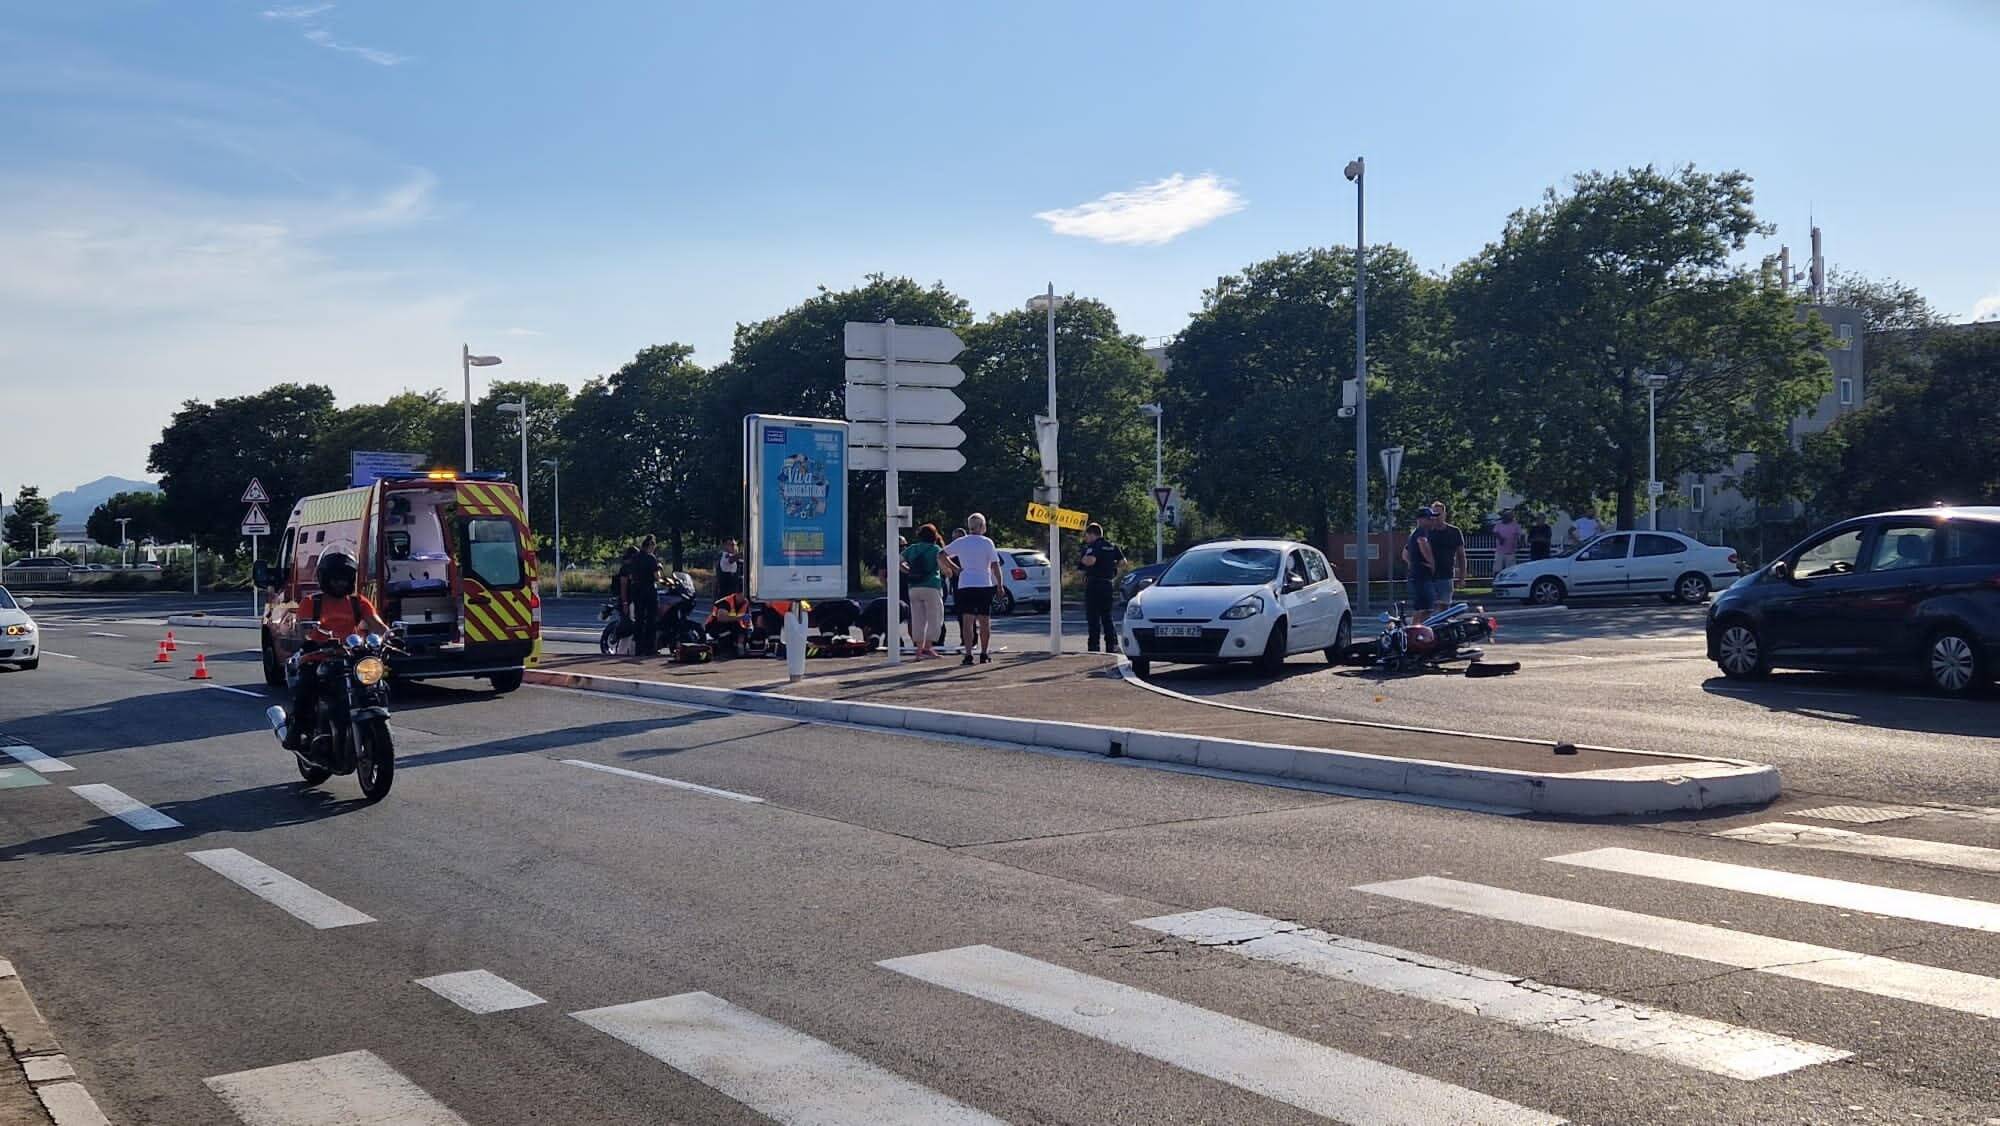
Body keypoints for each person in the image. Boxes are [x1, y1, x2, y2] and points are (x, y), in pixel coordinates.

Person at [277, 550, 391, 751]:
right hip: (318, 655)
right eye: (335, 579)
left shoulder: (358, 602)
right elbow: (305, 628)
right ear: (325, 579)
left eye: (344, 579)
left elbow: (377, 625)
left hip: (351, 655)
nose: (340, 583)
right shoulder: (312, 602)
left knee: (376, 683)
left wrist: (389, 636)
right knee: (308, 686)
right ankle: (297, 731)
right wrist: (317, 635)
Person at [941, 512, 1003, 666]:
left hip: (965, 584)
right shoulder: (987, 542)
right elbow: (995, 565)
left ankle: (968, 654)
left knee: (967, 621)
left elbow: (941, 554)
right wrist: (1000, 585)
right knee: (984, 621)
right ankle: (983, 653)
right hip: (983, 584)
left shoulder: (961, 542)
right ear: (982, 526)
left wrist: (955, 569)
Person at [901, 525, 948, 659]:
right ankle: (928, 646)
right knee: (935, 617)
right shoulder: (935, 549)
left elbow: (899, 561)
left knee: (917, 619)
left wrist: (908, 571)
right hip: (931, 586)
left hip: (914, 587)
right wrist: (949, 573)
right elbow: (943, 567)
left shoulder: (912, 548)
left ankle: (918, 650)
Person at [1077, 522, 1125, 653]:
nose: (1086, 538)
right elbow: (1123, 562)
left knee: (1093, 617)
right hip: (1108, 584)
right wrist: (1111, 567)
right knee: (1107, 616)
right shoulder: (1112, 546)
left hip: (1094, 584)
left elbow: (1090, 561)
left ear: (1093, 534)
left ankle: (1094, 647)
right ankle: (1112, 645)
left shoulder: (1093, 546)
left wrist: (1082, 559)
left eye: (1086, 535)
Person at [1425, 501, 1467, 610]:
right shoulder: (1427, 532)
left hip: (1446, 575)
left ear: (1444, 514)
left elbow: (1461, 555)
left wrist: (1462, 577)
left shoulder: (1454, 532)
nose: (1436, 517)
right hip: (1428, 576)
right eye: (1434, 514)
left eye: (1439, 514)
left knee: (1444, 610)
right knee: (1427, 609)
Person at [628, 535, 664, 656]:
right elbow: (657, 577)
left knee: (639, 619)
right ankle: (650, 647)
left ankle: (639, 647)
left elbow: (631, 576)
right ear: (650, 545)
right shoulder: (651, 558)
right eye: (654, 547)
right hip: (648, 590)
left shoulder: (635, 558)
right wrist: (659, 567)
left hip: (636, 590)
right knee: (651, 619)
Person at [1403, 511, 1435, 618]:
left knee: (1422, 609)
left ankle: (1418, 632)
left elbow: (1404, 554)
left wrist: (1412, 564)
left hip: (1417, 575)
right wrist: (1431, 563)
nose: (1432, 520)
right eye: (1429, 518)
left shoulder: (1413, 534)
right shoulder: (1421, 532)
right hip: (1421, 577)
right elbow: (1423, 543)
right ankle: (1416, 633)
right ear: (1421, 520)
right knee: (1425, 610)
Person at [1492, 509, 1522, 574]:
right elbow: (1495, 532)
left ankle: (1509, 582)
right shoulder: (1499, 524)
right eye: (1508, 516)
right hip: (1500, 551)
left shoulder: (1515, 525)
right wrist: (1500, 539)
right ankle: (1496, 580)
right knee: (1497, 569)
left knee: (1510, 569)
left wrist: (1519, 543)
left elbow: (1518, 535)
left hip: (1511, 551)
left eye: (1511, 516)